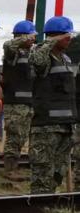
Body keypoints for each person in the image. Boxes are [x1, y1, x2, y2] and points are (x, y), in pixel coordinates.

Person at [28, 16, 76, 194]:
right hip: (46, 126)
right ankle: (38, 212)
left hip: (66, 125)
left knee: (57, 173)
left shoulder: (66, 59)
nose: (69, 38)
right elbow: (37, 59)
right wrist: (51, 41)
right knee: (42, 175)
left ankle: (49, 208)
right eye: (65, 35)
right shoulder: (42, 55)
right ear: (53, 36)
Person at [1, 20, 36, 181]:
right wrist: (22, 39)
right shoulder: (13, 54)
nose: (33, 39)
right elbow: (8, 46)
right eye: (29, 36)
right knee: (14, 136)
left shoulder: (32, 55)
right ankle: (9, 169)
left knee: (22, 138)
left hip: (29, 104)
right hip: (14, 103)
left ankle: (15, 166)